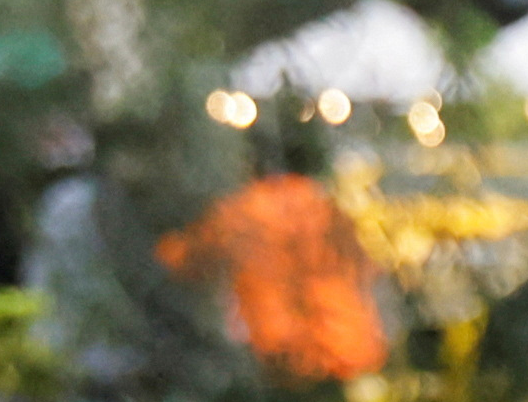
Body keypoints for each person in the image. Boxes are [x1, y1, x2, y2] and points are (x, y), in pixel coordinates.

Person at [162, 124, 387, 382]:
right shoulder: (329, 207)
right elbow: (367, 267)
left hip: (279, 354)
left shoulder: (241, 209)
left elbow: (185, 259)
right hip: (347, 352)